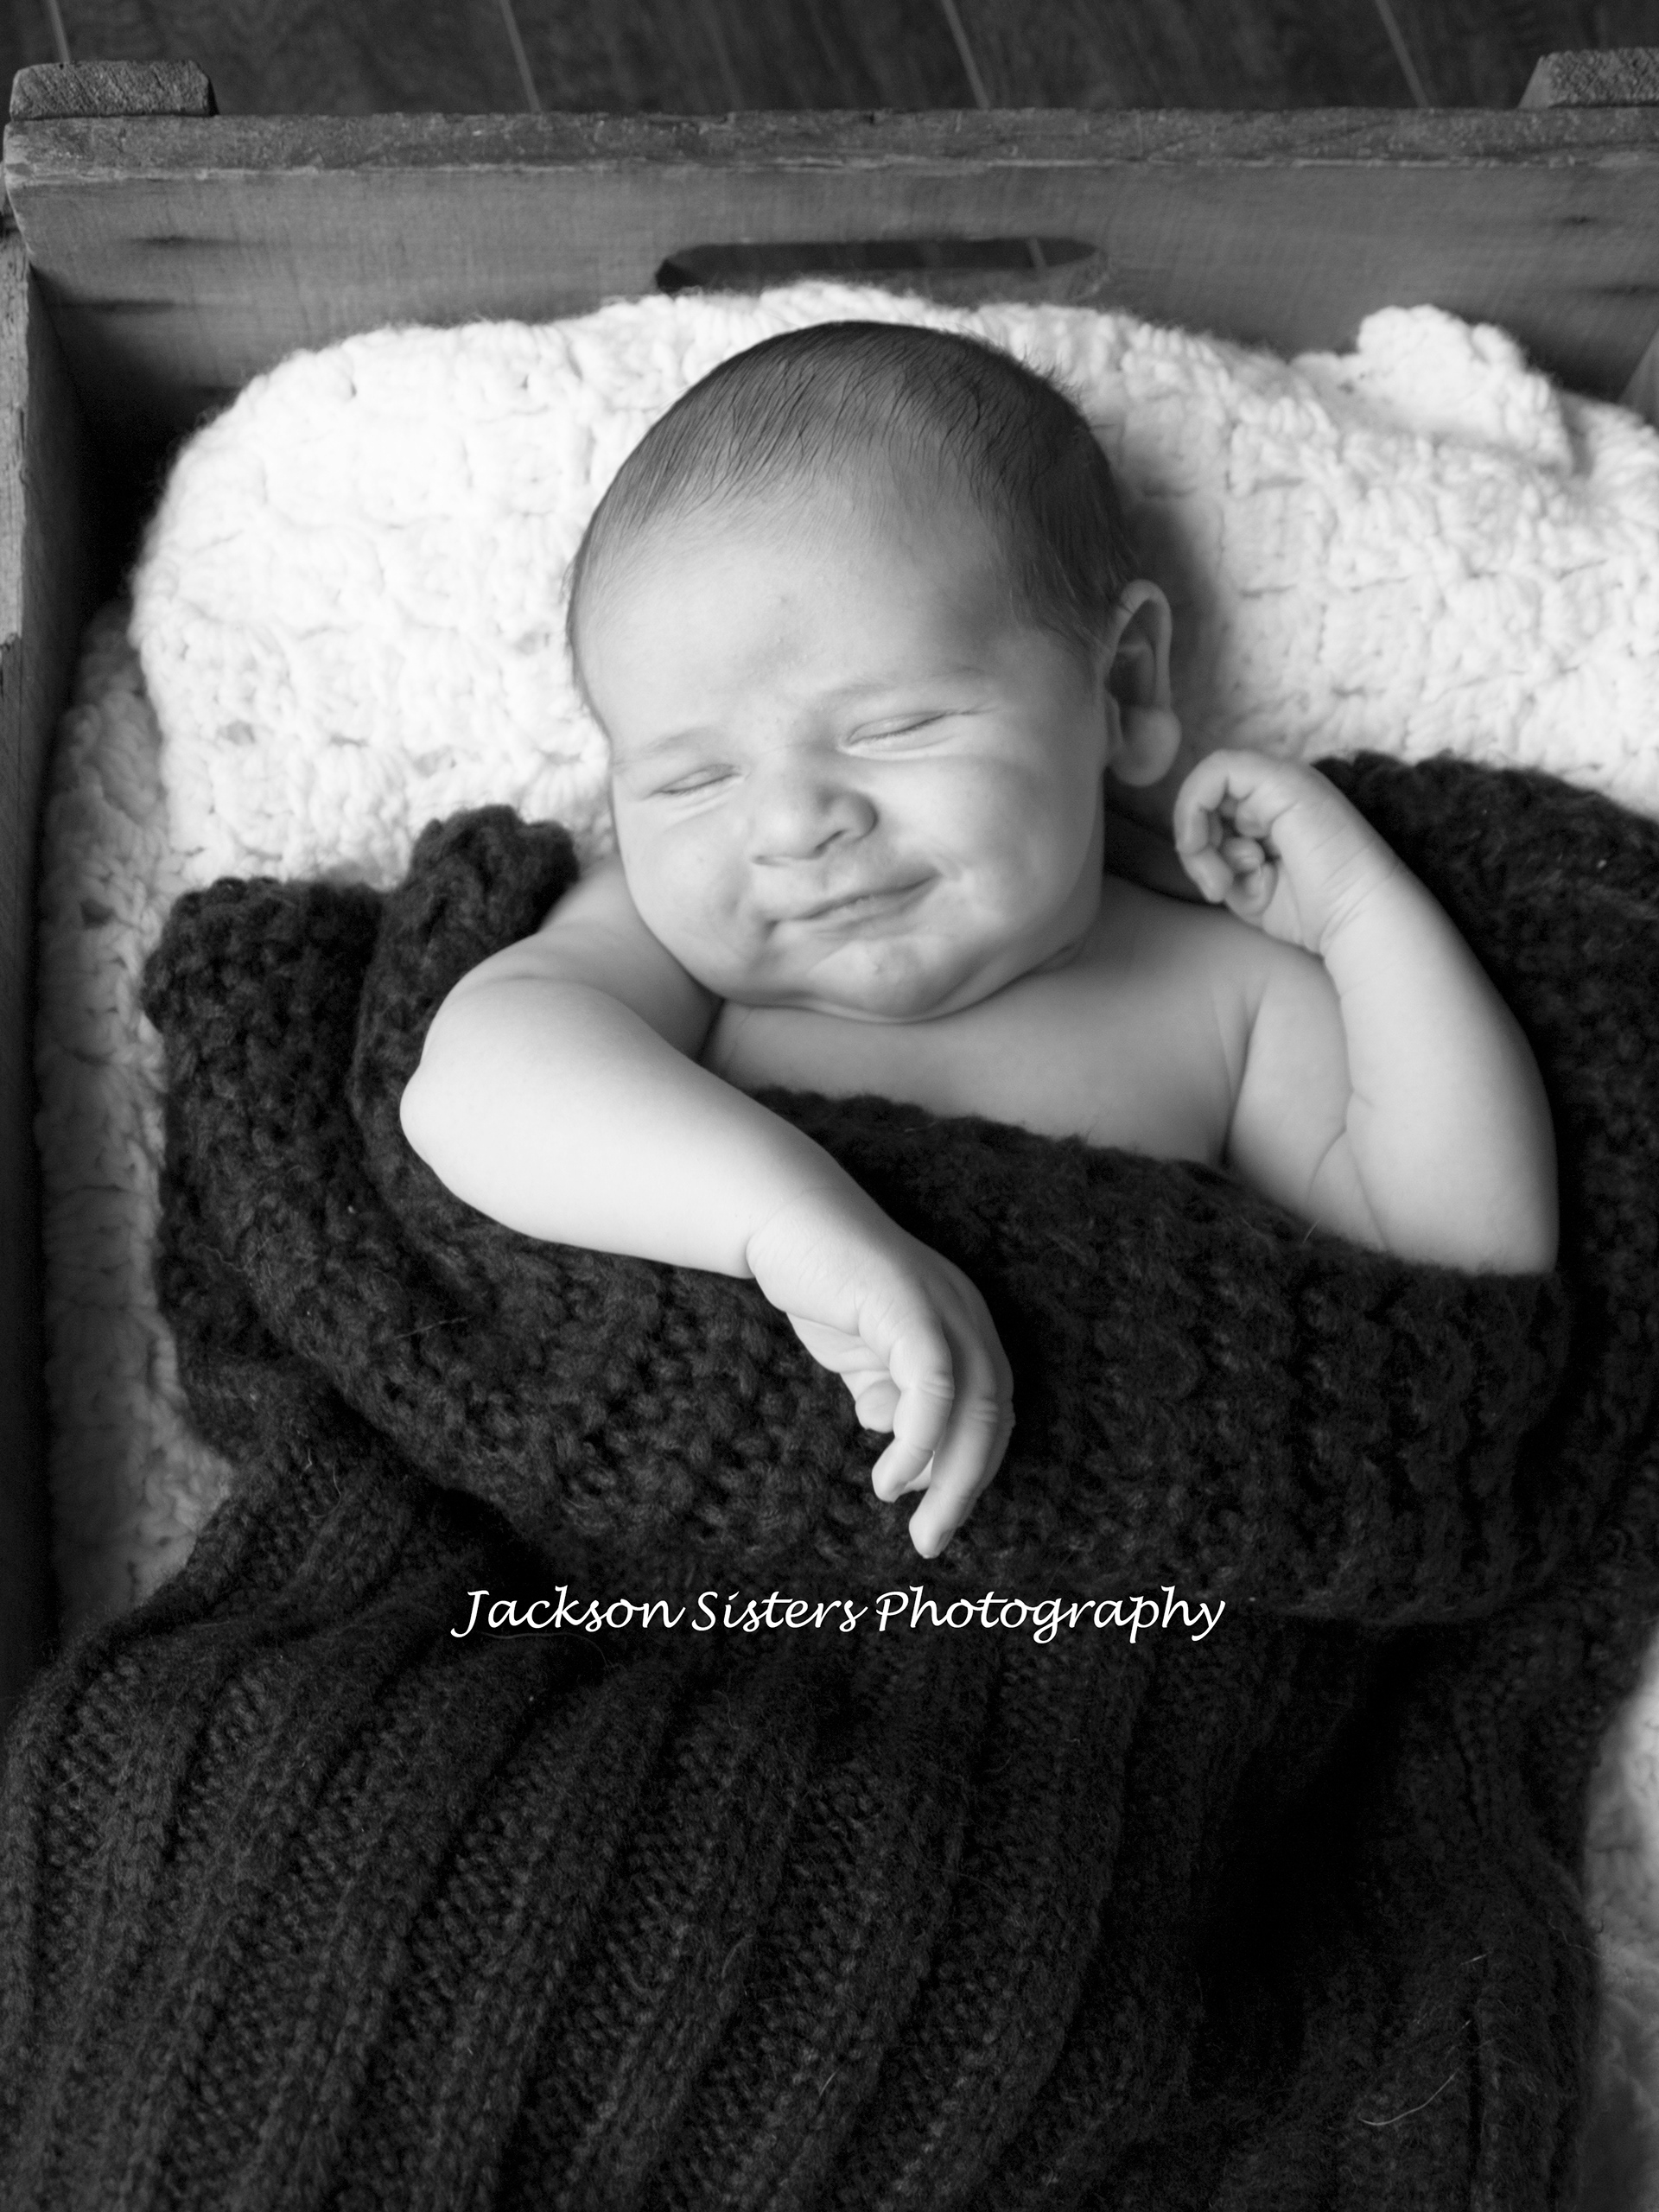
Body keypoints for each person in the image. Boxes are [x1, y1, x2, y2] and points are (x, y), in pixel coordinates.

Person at [401, 320, 1557, 1561]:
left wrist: (1365, 914)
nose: (792, 824)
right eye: (692, 781)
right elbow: (471, 1087)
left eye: (893, 728)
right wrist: (784, 1227)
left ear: (1122, 687)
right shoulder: (662, 955)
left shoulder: (1224, 993)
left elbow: (1457, 1284)